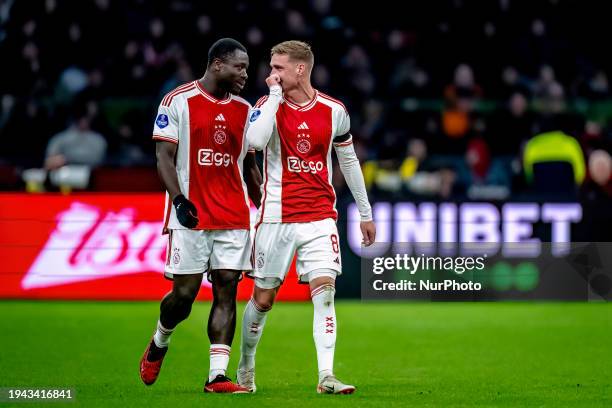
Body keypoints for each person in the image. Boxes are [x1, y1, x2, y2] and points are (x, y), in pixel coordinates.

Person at [237, 40, 375, 394]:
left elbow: (349, 161)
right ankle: (246, 365)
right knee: (263, 299)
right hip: (276, 218)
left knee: (325, 294)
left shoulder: (334, 110)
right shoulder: (268, 106)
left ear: (301, 69)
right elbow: (253, 140)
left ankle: (326, 375)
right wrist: (272, 99)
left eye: (278, 68)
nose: (272, 75)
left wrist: (365, 212)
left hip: (319, 217)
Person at [139, 38, 261, 394]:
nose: (245, 74)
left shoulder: (245, 109)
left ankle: (217, 376)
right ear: (218, 64)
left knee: (227, 287)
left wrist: (266, 208)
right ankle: (161, 340)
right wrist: (178, 200)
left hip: (234, 217)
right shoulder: (178, 101)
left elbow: (250, 167)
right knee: (184, 297)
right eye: (240, 67)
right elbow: (163, 156)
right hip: (191, 214)